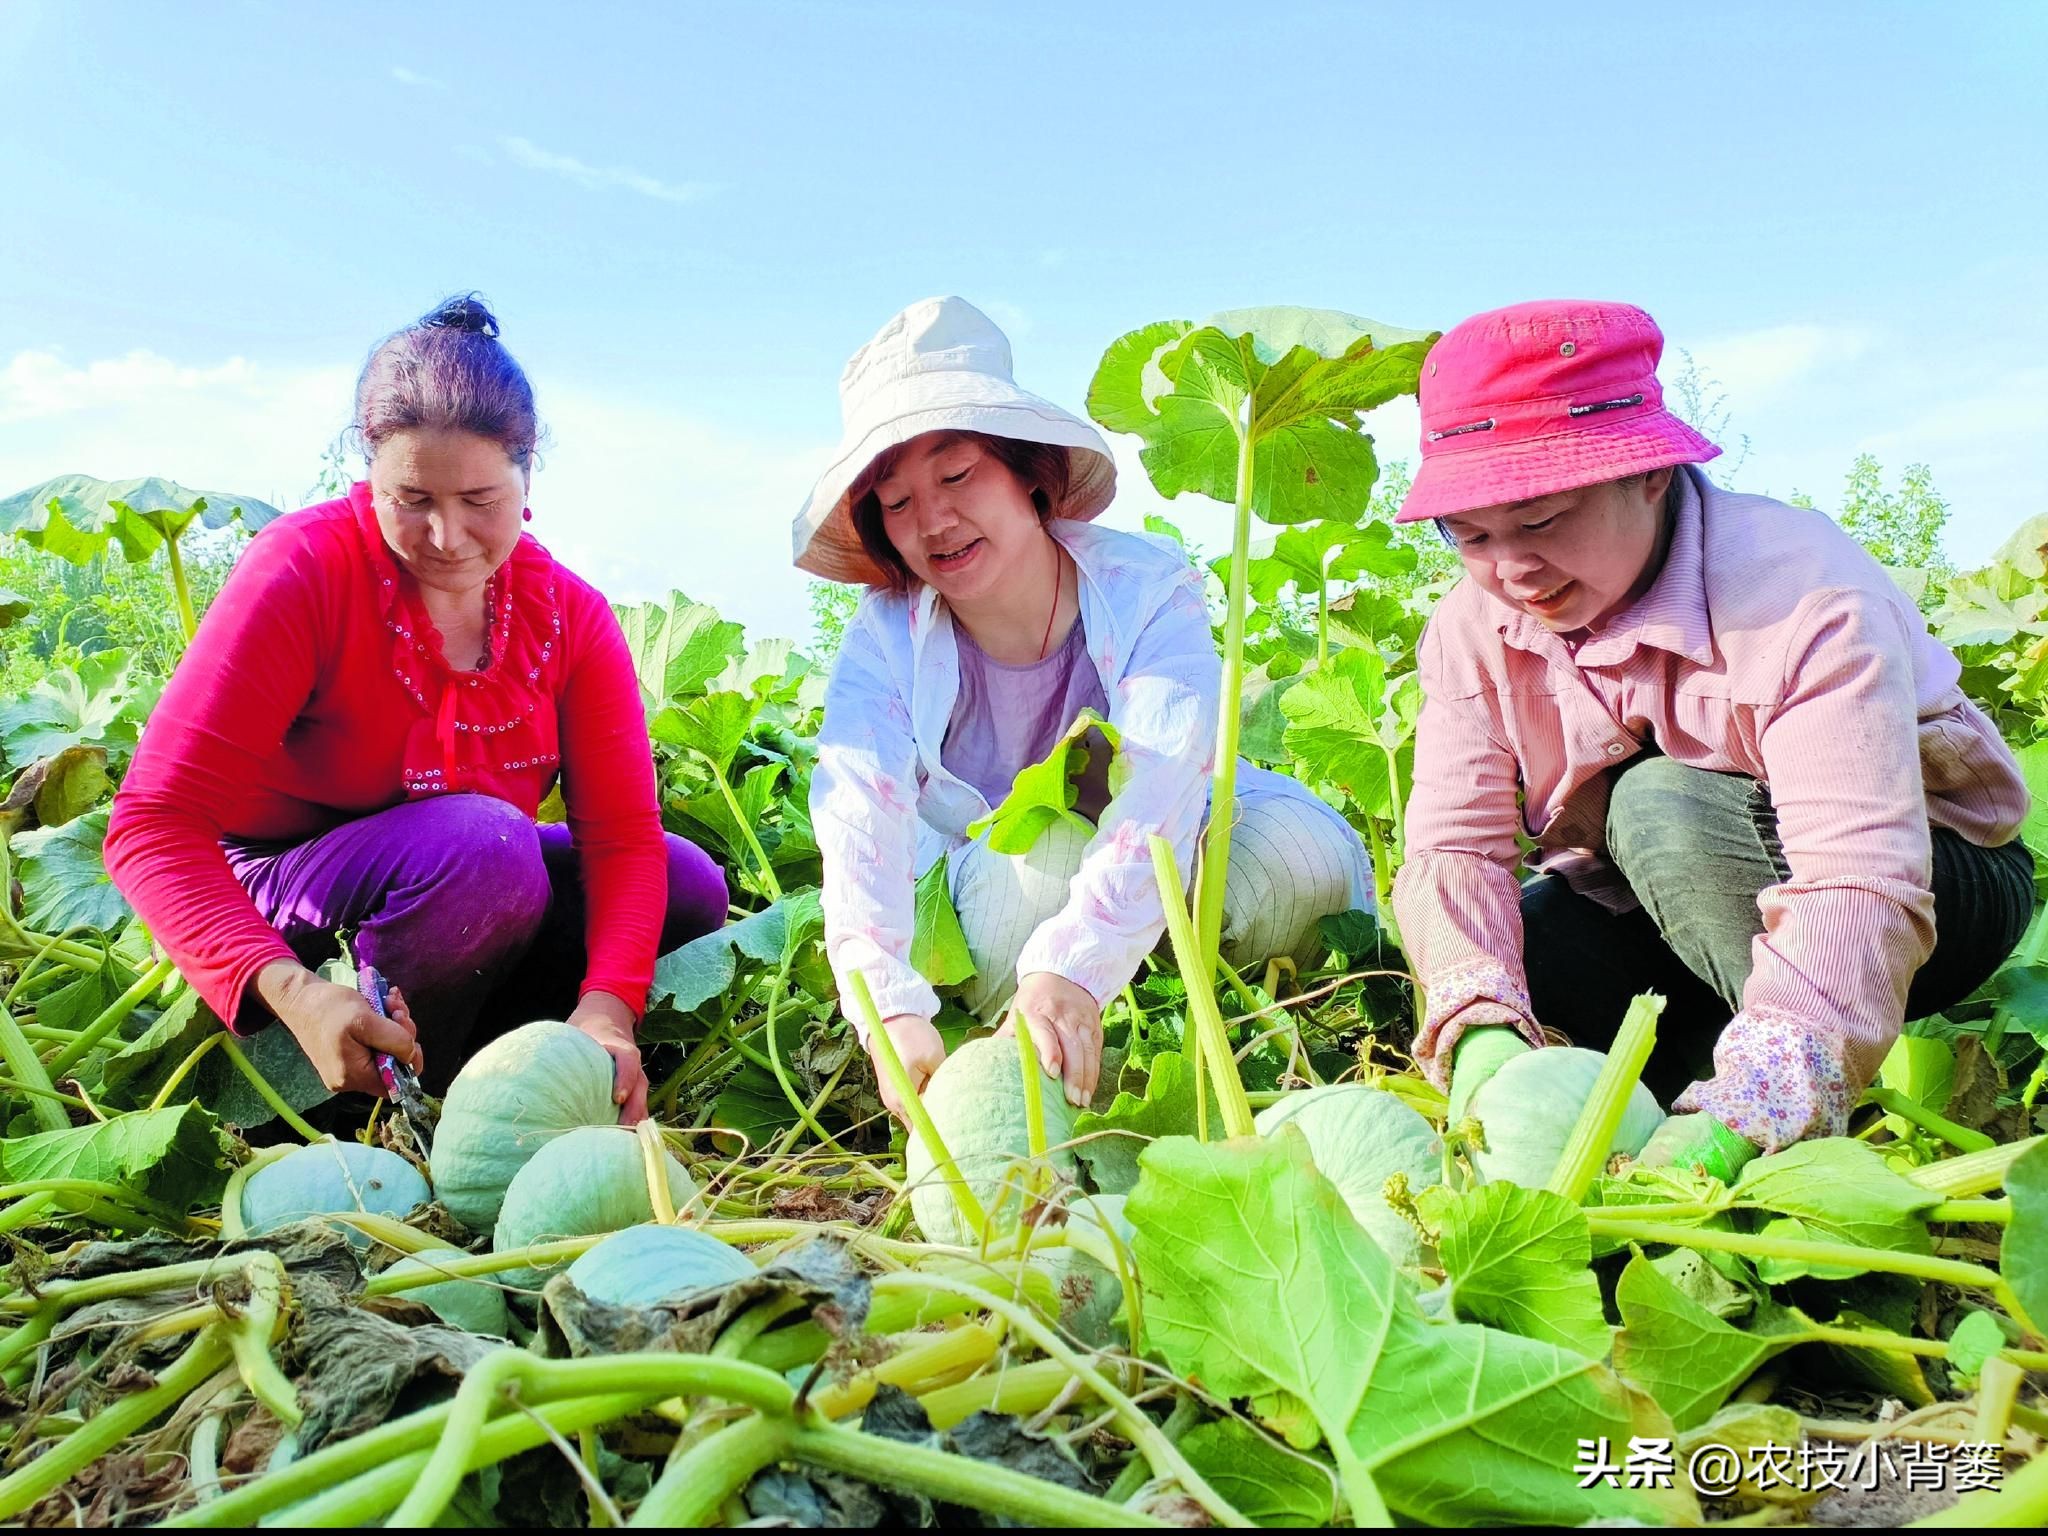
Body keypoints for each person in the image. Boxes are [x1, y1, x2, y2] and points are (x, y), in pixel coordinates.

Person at [1392, 299, 2033, 1178]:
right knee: (1528, 949)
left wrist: (1748, 1116)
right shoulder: (1471, 628)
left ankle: (1785, 1096)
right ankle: (1719, 1068)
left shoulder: (1803, 596)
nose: (1511, 569)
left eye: (1542, 521)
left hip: (1931, 883)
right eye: (1469, 535)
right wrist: (1480, 1030)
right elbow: (1452, 852)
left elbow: (1859, 876)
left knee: (1661, 803)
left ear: (1648, 474)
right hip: (1669, 897)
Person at [104, 296, 727, 1123]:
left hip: (462, 881)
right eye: (412, 499)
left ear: (527, 472)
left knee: (687, 881)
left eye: (479, 500)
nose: (446, 536)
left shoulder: (571, 617)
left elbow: (622, 840)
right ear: (370, 471)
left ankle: (488, 1062)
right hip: (286, 895)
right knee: (484, 847)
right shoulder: (304, 570)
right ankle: (372, 1097)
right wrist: (290, 988)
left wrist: (609, 1006)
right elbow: (153, 823)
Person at [799, 296, 1374, 1118]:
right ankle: (1098, 996)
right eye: (896, 502)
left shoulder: (1145, 584)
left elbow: (1168, 775)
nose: (934, 518)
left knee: (1302, 861)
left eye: (957, 474)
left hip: (1183, 830)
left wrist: (1075, 966)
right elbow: (860, 811)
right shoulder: (887, 637)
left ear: (1028, 473)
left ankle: (1129, 984)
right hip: (1011, 868)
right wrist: (888, 1002)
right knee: (1023, 908)